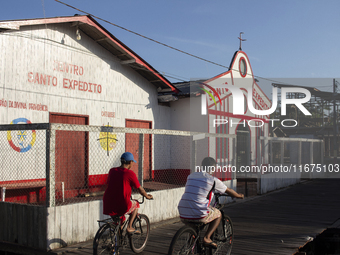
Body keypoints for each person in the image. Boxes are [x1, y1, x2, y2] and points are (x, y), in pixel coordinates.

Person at [178, 157, 244, 248]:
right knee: (218, 214)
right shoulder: (213, 180)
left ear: (202, 166)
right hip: (199, 213)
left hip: (183, 212)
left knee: (194, 228)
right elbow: (228, 190)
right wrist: (239, 195)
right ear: (213, 168)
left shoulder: (191, 176)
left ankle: (191, 246)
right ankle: (207, 237)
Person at [103, 152, 153, 234]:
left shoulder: (112, 171)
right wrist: (147, 196)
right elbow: (140, 189)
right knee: (136, 204)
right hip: (122, 204)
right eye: (132, 162)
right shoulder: (130, 174)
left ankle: (116, 243)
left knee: (120, 221)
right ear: (130, 162)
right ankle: (130, 227)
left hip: (108, 203)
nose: (132, 164)